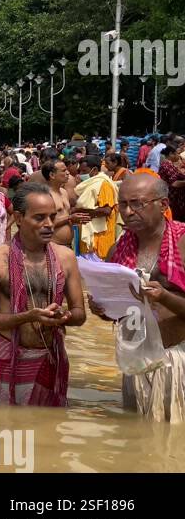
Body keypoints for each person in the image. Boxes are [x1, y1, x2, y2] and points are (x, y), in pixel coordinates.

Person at [0, 182, 85, 406]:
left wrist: (63, 317)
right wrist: (30, 316)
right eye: (39, 218)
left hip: (52, 357)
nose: (49, 225)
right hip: (12, 357)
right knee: (11, 430)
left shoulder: (65, 257)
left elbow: (80, 314)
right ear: (18, 218)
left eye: (52, 217)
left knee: (52, 430)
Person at [90, 174, 185, 420]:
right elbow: (116, 312)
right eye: (123, 205)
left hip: (176, 359)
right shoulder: (117, 250)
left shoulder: (183, 242)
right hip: (135, 361)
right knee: (136, 440)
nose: (129, 211)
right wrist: (101, 309)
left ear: (163, 205)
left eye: (137, 204)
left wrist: (164, 296)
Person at [72, 155, 119, 258]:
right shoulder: (91, 184)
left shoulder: (104, 184)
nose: (81, 174)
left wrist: (78, 211)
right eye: (80, 171)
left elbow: (106, 210)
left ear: (95, 170)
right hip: (91, 240)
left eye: (84, 171)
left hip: (101, 240)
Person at [41, 160, 75, 248]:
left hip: (68, 245)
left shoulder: (64, 192)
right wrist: (69, 218)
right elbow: (44, 224)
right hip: (53, 246)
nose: (68, 173)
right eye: (63, 171)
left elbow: (66, 215)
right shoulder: (45, 195)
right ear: (52, 175)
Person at [158, 135, 185, 222]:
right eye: (177, 153)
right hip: (172, 200)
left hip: (177, 200)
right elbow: (174, 183)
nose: (178, 155)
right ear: (170, 154)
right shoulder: (166, 165)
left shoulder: (171, 164)